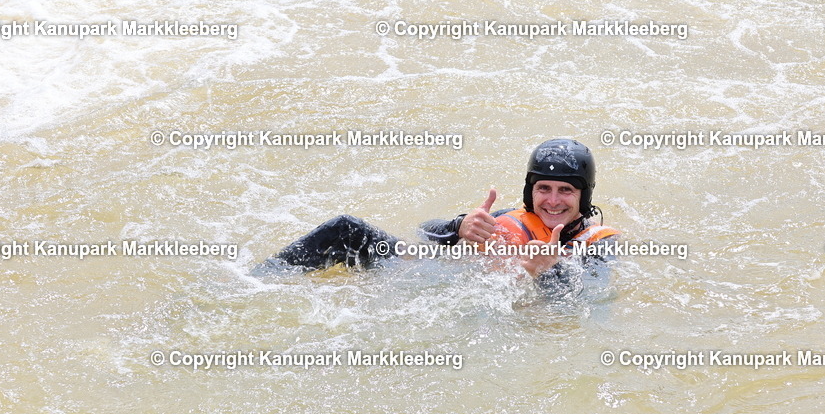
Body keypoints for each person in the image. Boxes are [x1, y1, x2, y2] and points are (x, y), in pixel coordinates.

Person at [254, 139, 619, 282]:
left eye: (565, 191)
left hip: (460, 306)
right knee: (345, 227)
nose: (552, 200)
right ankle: (251, 285)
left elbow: (581, 308)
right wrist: (458, 226)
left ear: (583, 197)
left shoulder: (597, 245)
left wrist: (544, 273)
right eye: (543, 189)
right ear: (530, 190)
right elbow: (425, 232)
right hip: (425, 273)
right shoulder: (509, 215)